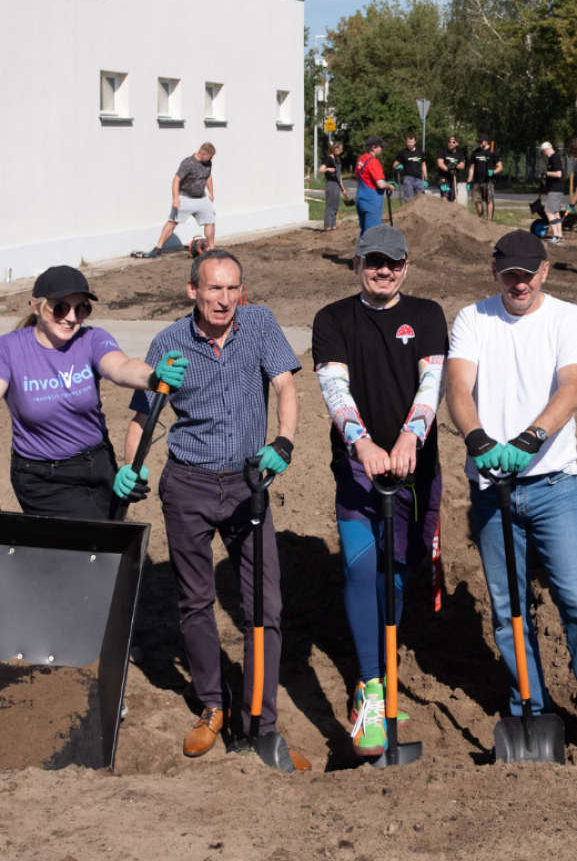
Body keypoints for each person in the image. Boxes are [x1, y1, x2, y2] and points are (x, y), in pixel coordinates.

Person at [123, 249, 311, 770]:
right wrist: (129, 465)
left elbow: (286, 384)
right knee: (195, 601)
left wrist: (285, 441)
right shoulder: (170, 343)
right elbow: (143, 414)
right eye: (213, 289)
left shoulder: (260, 324)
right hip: (187, 483)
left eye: (232, 289)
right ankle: (212, 707)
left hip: (249, 482)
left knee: (264, 608)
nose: (224, 299)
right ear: (193, 291)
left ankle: (261, 723)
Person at [312, 225, 448, 757]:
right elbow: (335, 389)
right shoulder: (333, 319)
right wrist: (363, 444)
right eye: (372, 262)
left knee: (398, 571)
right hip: (359, 470)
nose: (383, 271)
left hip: (416, 470)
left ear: (406, 266)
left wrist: (411, 436)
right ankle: (370, 686)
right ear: (356, 264)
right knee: (363, 566)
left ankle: (383, 665)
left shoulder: (429, 314)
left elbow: (431, 383)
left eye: (392, 263)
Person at [446, 229, 577, 721]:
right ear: (494, 271)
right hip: (490, 489)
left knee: (575, 599)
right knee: (509, 613)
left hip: (556, 486)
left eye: (529, 274)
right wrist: (476, 437)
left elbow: (571, 385)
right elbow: (458, 383)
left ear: (545, 270)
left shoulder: (567, 318)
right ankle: (531, 711)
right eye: (510, 275)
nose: (519, 285)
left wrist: (531, 438)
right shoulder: (472, 318)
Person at [0, 266, 187, 519]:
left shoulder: (91, 339)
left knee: (108, 541)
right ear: (36, 306)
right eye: (60, 308)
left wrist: (152, 378)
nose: (71, 317)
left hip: (99, 464)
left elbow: (120, 366)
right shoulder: (10, 348)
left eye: (82, 308)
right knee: (95, 543)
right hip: (43, 478)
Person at [141, 143, 216, 258]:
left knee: (210, 219)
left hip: (201, 198)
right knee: (172, 222)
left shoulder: (208, 163)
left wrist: (211, 192)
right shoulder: (188, 163)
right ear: (203, 154)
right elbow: (176, 179)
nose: (211, 159)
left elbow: (208, 176)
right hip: (185, 197)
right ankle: (158, 248)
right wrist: (176, 198)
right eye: (210, 157)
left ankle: (211, 249)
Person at [355, 136, 396, 239]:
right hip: (371, 201)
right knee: (373, 232)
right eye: (381, 147)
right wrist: (389, 185)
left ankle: (360, 255)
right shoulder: (373, 162)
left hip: (360, 199)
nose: (382, 149)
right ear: (374, 147)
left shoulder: (361, 159)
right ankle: (369, 255)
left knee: (364, 231)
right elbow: (380, 184)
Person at [466, 133, 503, 220]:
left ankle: (489, 221)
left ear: (486, 141)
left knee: (489, 201)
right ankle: (481, 220)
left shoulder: (493, 152)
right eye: (478, 141)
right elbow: (472, 167)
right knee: (477, 201)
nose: (479, 143)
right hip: (477, 181)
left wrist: (493, 172)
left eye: (481, 141)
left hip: (488, 181)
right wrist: (469, 180)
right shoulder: (475, 152)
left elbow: (500, 167)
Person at [539, 142, 565, 246]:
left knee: (548, 212)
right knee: (555, 213)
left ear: (545, 150)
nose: (543, 154)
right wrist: (546, 180)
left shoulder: (554, 158)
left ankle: (556, 237)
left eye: (543, 152)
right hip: (556, 189)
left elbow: (559, 174)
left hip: (555, 190)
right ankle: (560, 236)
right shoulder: (553, 158)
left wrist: (545, 173)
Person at [319, 141, 348, 230]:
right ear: (336, 149)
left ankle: (333, 225)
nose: (341, 151)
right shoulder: (329, 159)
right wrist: (327, 169)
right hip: (330, 184)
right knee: (330, 205)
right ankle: (328, 225)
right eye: (341, 149)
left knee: (335, 205)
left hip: (337, 184)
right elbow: (320, 170)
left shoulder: (338, 160)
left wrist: (342, 186)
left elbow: (339, 174)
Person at [393, 133, 428, 201]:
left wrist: (426, 178)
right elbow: (394, 165)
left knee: (421, 199)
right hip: (408, 179)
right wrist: (398, 166)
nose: (410, 144)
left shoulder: (420, 152)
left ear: (415, 141)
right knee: (409, 200)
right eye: (408, 141)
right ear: (406, 141)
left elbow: (423, 165)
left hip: (419, 179)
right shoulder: (402, 153)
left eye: (412, 142)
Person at [436, 135, 466, 203]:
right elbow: (440, 163)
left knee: (452, 197)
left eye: (453, 142)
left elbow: (462, 166)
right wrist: (449, 170)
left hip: (453, 179)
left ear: (457, 143)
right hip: (443, 178)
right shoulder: (442, 152)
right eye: (449, 142)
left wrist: (455, 166)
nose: (451, 143)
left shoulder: (460, 154)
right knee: (445, 194)